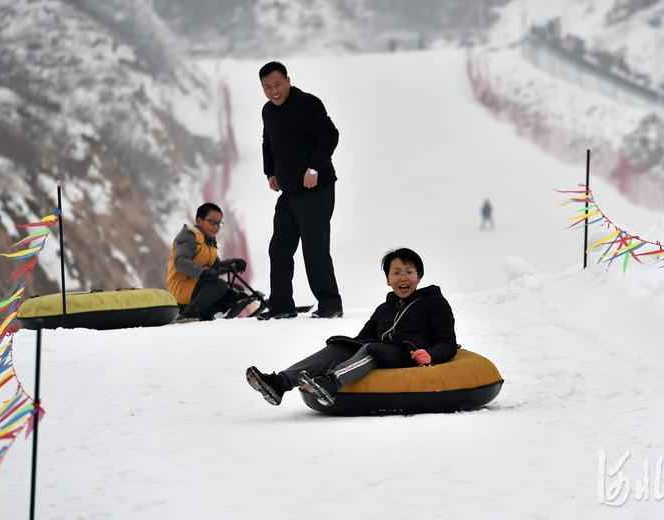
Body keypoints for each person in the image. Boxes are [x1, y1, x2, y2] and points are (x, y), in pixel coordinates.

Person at [246, 248, 457, 407]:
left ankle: (330, 384)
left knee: (372, 349)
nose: (403, 277)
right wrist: (341, 350)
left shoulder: (434, 303)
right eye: (397, 272)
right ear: (388, 280)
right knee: (340, 347)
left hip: (408, 356)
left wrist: (430, 354)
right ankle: (279, 383)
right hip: (382, 353)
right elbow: (363, 337)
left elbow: (447, 343)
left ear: (418, 276)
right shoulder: (385, 308)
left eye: (409, 272)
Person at [258, 61, 343, 320]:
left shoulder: (309, 103)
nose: (274, 91)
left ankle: (330, 305)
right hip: (290, 192)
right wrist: (270, 172)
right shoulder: (268, 111)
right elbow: (268, 142)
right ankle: (281, 307)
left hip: (317, 189)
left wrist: (314, 169)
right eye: (267, 87)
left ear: (288, 80)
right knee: (279, 248)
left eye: (278, 84)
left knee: (314, 248)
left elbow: (330, 136)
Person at [166, 202, 249, 321]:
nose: (216, 227)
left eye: (219, 223)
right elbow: (180, 262)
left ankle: (209, 314)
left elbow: (215, 267)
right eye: (212, 222)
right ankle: (188, 315)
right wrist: (203, 273)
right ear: (199, 220)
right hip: (181, 288)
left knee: (236, 292)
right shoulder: (189, 237)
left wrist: (232, 263)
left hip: (197, 286)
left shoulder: (209, 241)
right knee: (218, 286)